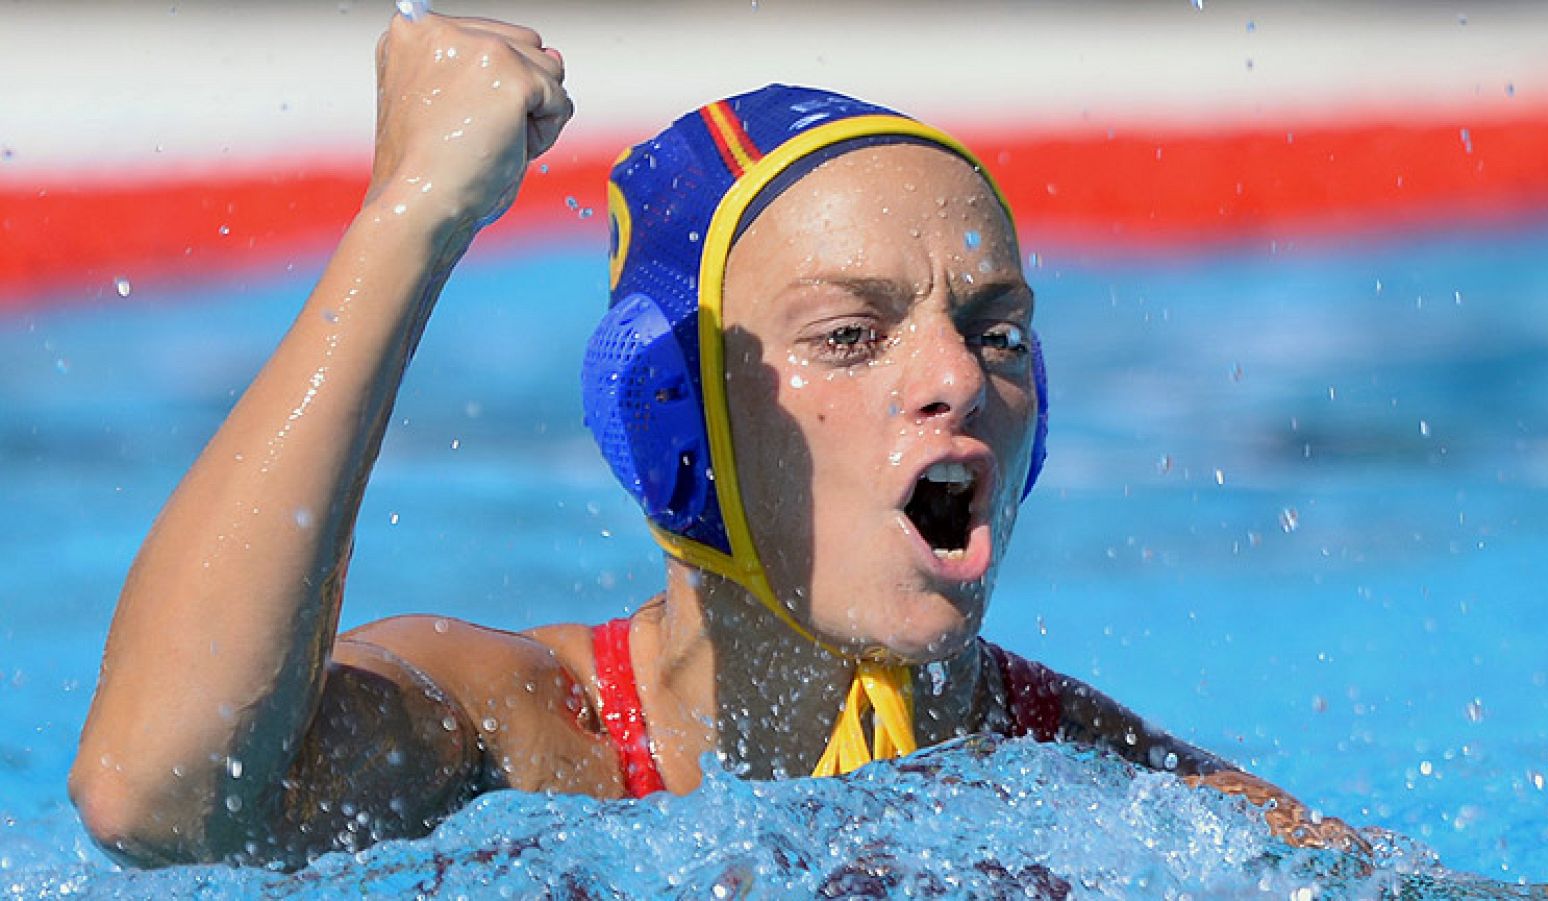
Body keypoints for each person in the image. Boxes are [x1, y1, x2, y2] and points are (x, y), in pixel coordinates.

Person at [68, 12, 1367, 868]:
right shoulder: (523, 740)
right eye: (850, 335)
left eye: (997, 329)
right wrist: (409, 217)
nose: (956, 377)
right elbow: (159, 797)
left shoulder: (1087, 788)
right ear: (673, 420)